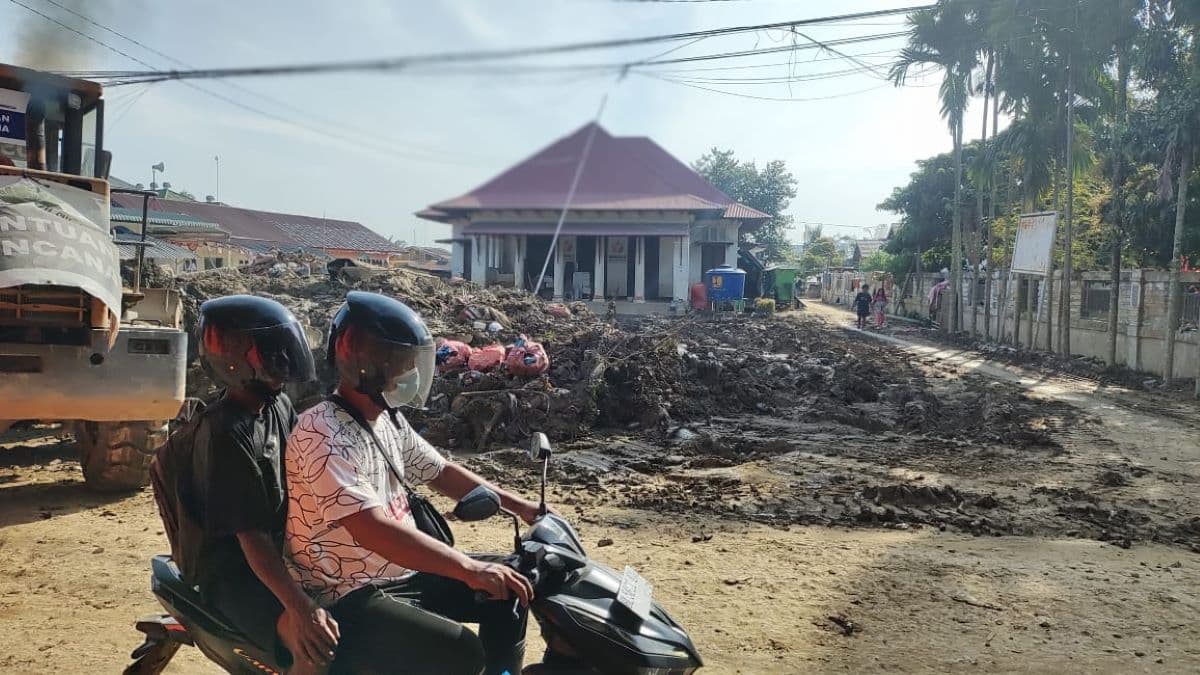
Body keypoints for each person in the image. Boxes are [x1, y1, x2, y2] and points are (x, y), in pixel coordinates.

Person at [285, 291, 544, 675]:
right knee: (461, 652)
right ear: (364, 363)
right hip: (348, 590)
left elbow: (440, 472)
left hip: (400, 571)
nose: (410, 374)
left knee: (510, 592)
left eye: (413, 362)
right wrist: (469, 569)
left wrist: (523, 508)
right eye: (401, 363)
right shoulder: (321, 433)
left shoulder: (386, 417)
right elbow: (371, 529)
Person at [191, 295, 339, 674]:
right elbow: (250, 537)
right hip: (234, 573)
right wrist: (302, 608)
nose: (279, 365)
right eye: (267, 355)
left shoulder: (277, 406)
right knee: (317, 646)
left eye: (281, 351)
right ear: (231, 358)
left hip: (282, 553)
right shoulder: (225, 430)